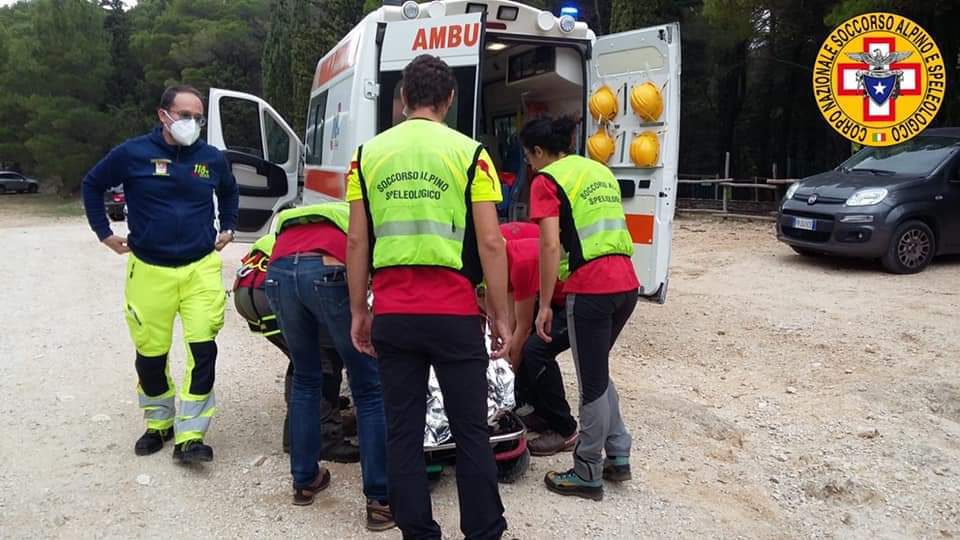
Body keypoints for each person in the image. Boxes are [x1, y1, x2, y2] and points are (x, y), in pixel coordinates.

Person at [346, 54, 512, 540]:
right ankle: (483, 530)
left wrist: (360, 310)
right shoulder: (471, 153)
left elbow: (357, 241)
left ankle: (418, 531)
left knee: (403, 431)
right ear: (450, 99)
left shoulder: (367, 155)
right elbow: (491, 242)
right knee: (470, 431)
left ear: (401, 99)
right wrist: (500, 315)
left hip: (394, 314)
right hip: (455, 314)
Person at [81, 85, 239, 464]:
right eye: (184, 115)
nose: (192, 123)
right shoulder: (133, 153)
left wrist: (229, 226)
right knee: (150, 356)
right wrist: (104, 233)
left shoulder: (212, 158)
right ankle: (159, 424)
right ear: (163, 115)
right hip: (149, 270)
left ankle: (191, 436)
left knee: (203, 351)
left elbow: (231, 192)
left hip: (200, 268)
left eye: (198, 117)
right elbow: (92, 183)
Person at [520, 115, 640, 501]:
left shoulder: (547, 180)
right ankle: (618, 453)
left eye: (528, 156)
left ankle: (587, 470)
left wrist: (543, 304)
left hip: (592, 288)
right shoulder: (597, 170)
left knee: (591, 383)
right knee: (597, 371)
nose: (529, 165)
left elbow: (550, 245)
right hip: (627, 283)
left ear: (539, 152)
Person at [264, 203, 394, 531]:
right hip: (327, 269)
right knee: (368, 386)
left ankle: (305, 480)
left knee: (307, 377)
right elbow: (364, 254)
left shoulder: (305, 214)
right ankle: (380, 500)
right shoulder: (363, 211)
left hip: (278, 271)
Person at [233, 236, 360, 462]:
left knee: (303, 358)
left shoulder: (310, 224)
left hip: (249, 285)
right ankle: (325, 437)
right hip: (271, 284)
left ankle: (308, 422)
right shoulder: (358, 225)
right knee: (325, 359)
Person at [500, 235, 578, 457]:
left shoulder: (519, 261)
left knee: (535, 349)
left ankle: (565, 429)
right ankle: (541, 412)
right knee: (522, 346)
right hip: (556, 296)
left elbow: (522, 328)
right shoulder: (501, 242)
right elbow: (511, 321)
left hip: (577, 298)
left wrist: (505, 380)